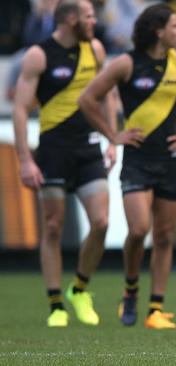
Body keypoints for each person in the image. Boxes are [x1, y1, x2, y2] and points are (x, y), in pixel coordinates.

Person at [78, 3, 176, 329]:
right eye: (175, 26)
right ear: (158, 30)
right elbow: (88, 98)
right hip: (137, 161)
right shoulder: (125, 64)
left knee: (165, 235)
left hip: (170, 160)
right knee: (139, 229)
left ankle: (155, 309)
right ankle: (130, 291)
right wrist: (113, 135)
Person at [12, 0, 116, 328]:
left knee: (100, 223)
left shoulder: (96, 50)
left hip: (88, 149)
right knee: (53, 227)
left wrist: (112, 139)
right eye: (87, 16)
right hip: (53, 151)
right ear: (70, 19)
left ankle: (79, 289)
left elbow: (108, 95)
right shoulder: (38, 55)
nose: (93, 21)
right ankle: (56, 304)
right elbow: (19, 109)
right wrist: (25, 160)